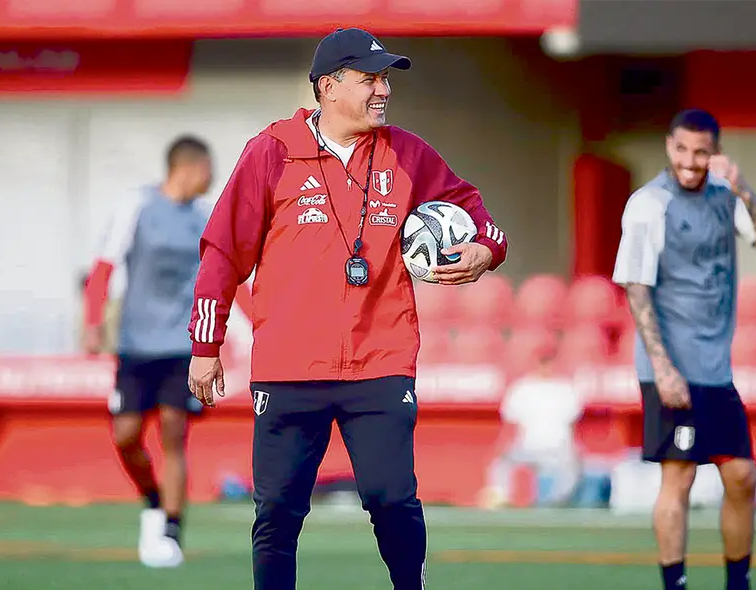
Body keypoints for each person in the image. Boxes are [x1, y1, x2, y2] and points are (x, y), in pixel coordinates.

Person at [185, 27, 508, 590]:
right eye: (370, 80)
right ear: (329, 87)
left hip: (380, 360)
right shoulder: (273, 151)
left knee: (391, 499)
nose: (383, 90)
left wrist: (487, 246)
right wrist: (205, 347)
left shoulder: (408, 152)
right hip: (288, 367)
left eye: (385, 79)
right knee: (278, 514)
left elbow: (472, 207)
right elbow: (222, 251)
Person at [611, 109, 756, 590]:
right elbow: (637, 287)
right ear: (670, 147)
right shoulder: (649, 204)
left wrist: (744, 188)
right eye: (683, 149)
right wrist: (663, 369)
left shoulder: (725, 199)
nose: (691, 161)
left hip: (715, 368)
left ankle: (737, 582)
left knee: (742, 477)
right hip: (672, 366)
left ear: (715, 152)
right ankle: (676, 584)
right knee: (680, 478)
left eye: (701, 151)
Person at [84, 135, 223, 568]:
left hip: (182, 345)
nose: (212, 178)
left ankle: (172, 530)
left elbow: (224, 278)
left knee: (173, 433)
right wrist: (93, 322)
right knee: (125, 435)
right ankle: (153, 498)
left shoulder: (204, 219)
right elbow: (104, 266)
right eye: (208, 169)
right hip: (135, 346)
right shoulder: (137, 206)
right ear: (190, 168)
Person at [481, 352, 584, 508]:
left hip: (558, 447)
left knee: (573, 468)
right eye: (543, 363)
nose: (546, 367)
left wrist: (573, 447)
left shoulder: (565, 389)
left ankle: (556, 503)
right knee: (501, 464)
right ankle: (502, 498)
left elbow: (572, 425)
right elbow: (511, 424)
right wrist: (504, 445)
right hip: (528, 446)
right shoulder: (522, 388)